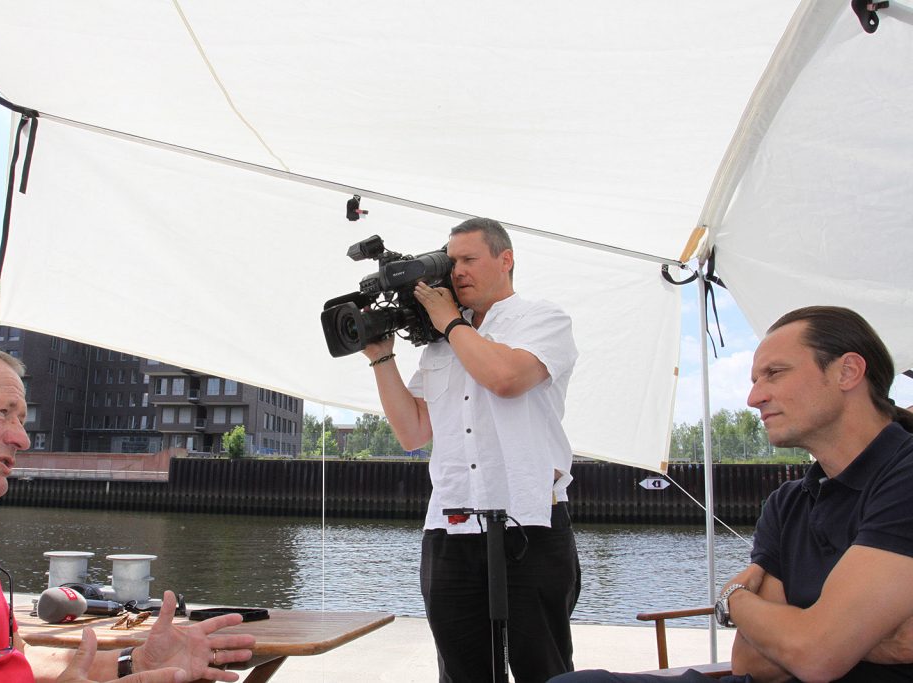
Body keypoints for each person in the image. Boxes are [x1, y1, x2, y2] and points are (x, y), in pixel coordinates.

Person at [547, 306, 913, 683]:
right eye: (756, 379)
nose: (754, 398)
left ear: (847, 371)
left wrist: (735, 598)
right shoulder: (788, 503)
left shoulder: (903, 476)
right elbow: (752, 664)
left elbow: (814, 655)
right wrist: (859, 641)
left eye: (774, 373)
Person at [0, 337, 256, 682]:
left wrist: (135, 662)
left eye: (20, 418)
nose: (22, 438)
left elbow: (12, 658)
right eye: (3, 412)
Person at [363, 217, 580, 683]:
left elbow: (506, 379)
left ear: (506, 260)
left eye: (467, 259)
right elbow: (413, 432)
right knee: (461, 672)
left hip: (530, 523)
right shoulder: (440, 345)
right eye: (450, 260)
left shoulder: (542, 318)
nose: (455, 271)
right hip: (449, 526)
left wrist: (450, 322)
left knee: (543, 668)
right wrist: (381, 356)